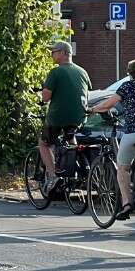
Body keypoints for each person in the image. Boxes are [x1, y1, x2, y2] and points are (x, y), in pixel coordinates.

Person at [91, 58, 135, 217]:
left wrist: (92, 109)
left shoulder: (127, 86)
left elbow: (108, 104)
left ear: (130, 73)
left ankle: (127, 204)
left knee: (123, 168)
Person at [39, 41, 92, 189]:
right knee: (70, 137)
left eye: (54, 52)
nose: (52, 54)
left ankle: (53, 176)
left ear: (63, 53)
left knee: (44, 144)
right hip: (79, 117)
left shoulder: (56, 72)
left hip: (58, 116)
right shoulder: (83, 71)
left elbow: (45, 97)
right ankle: (76, 168)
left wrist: (42, 94)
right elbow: (86, 91)